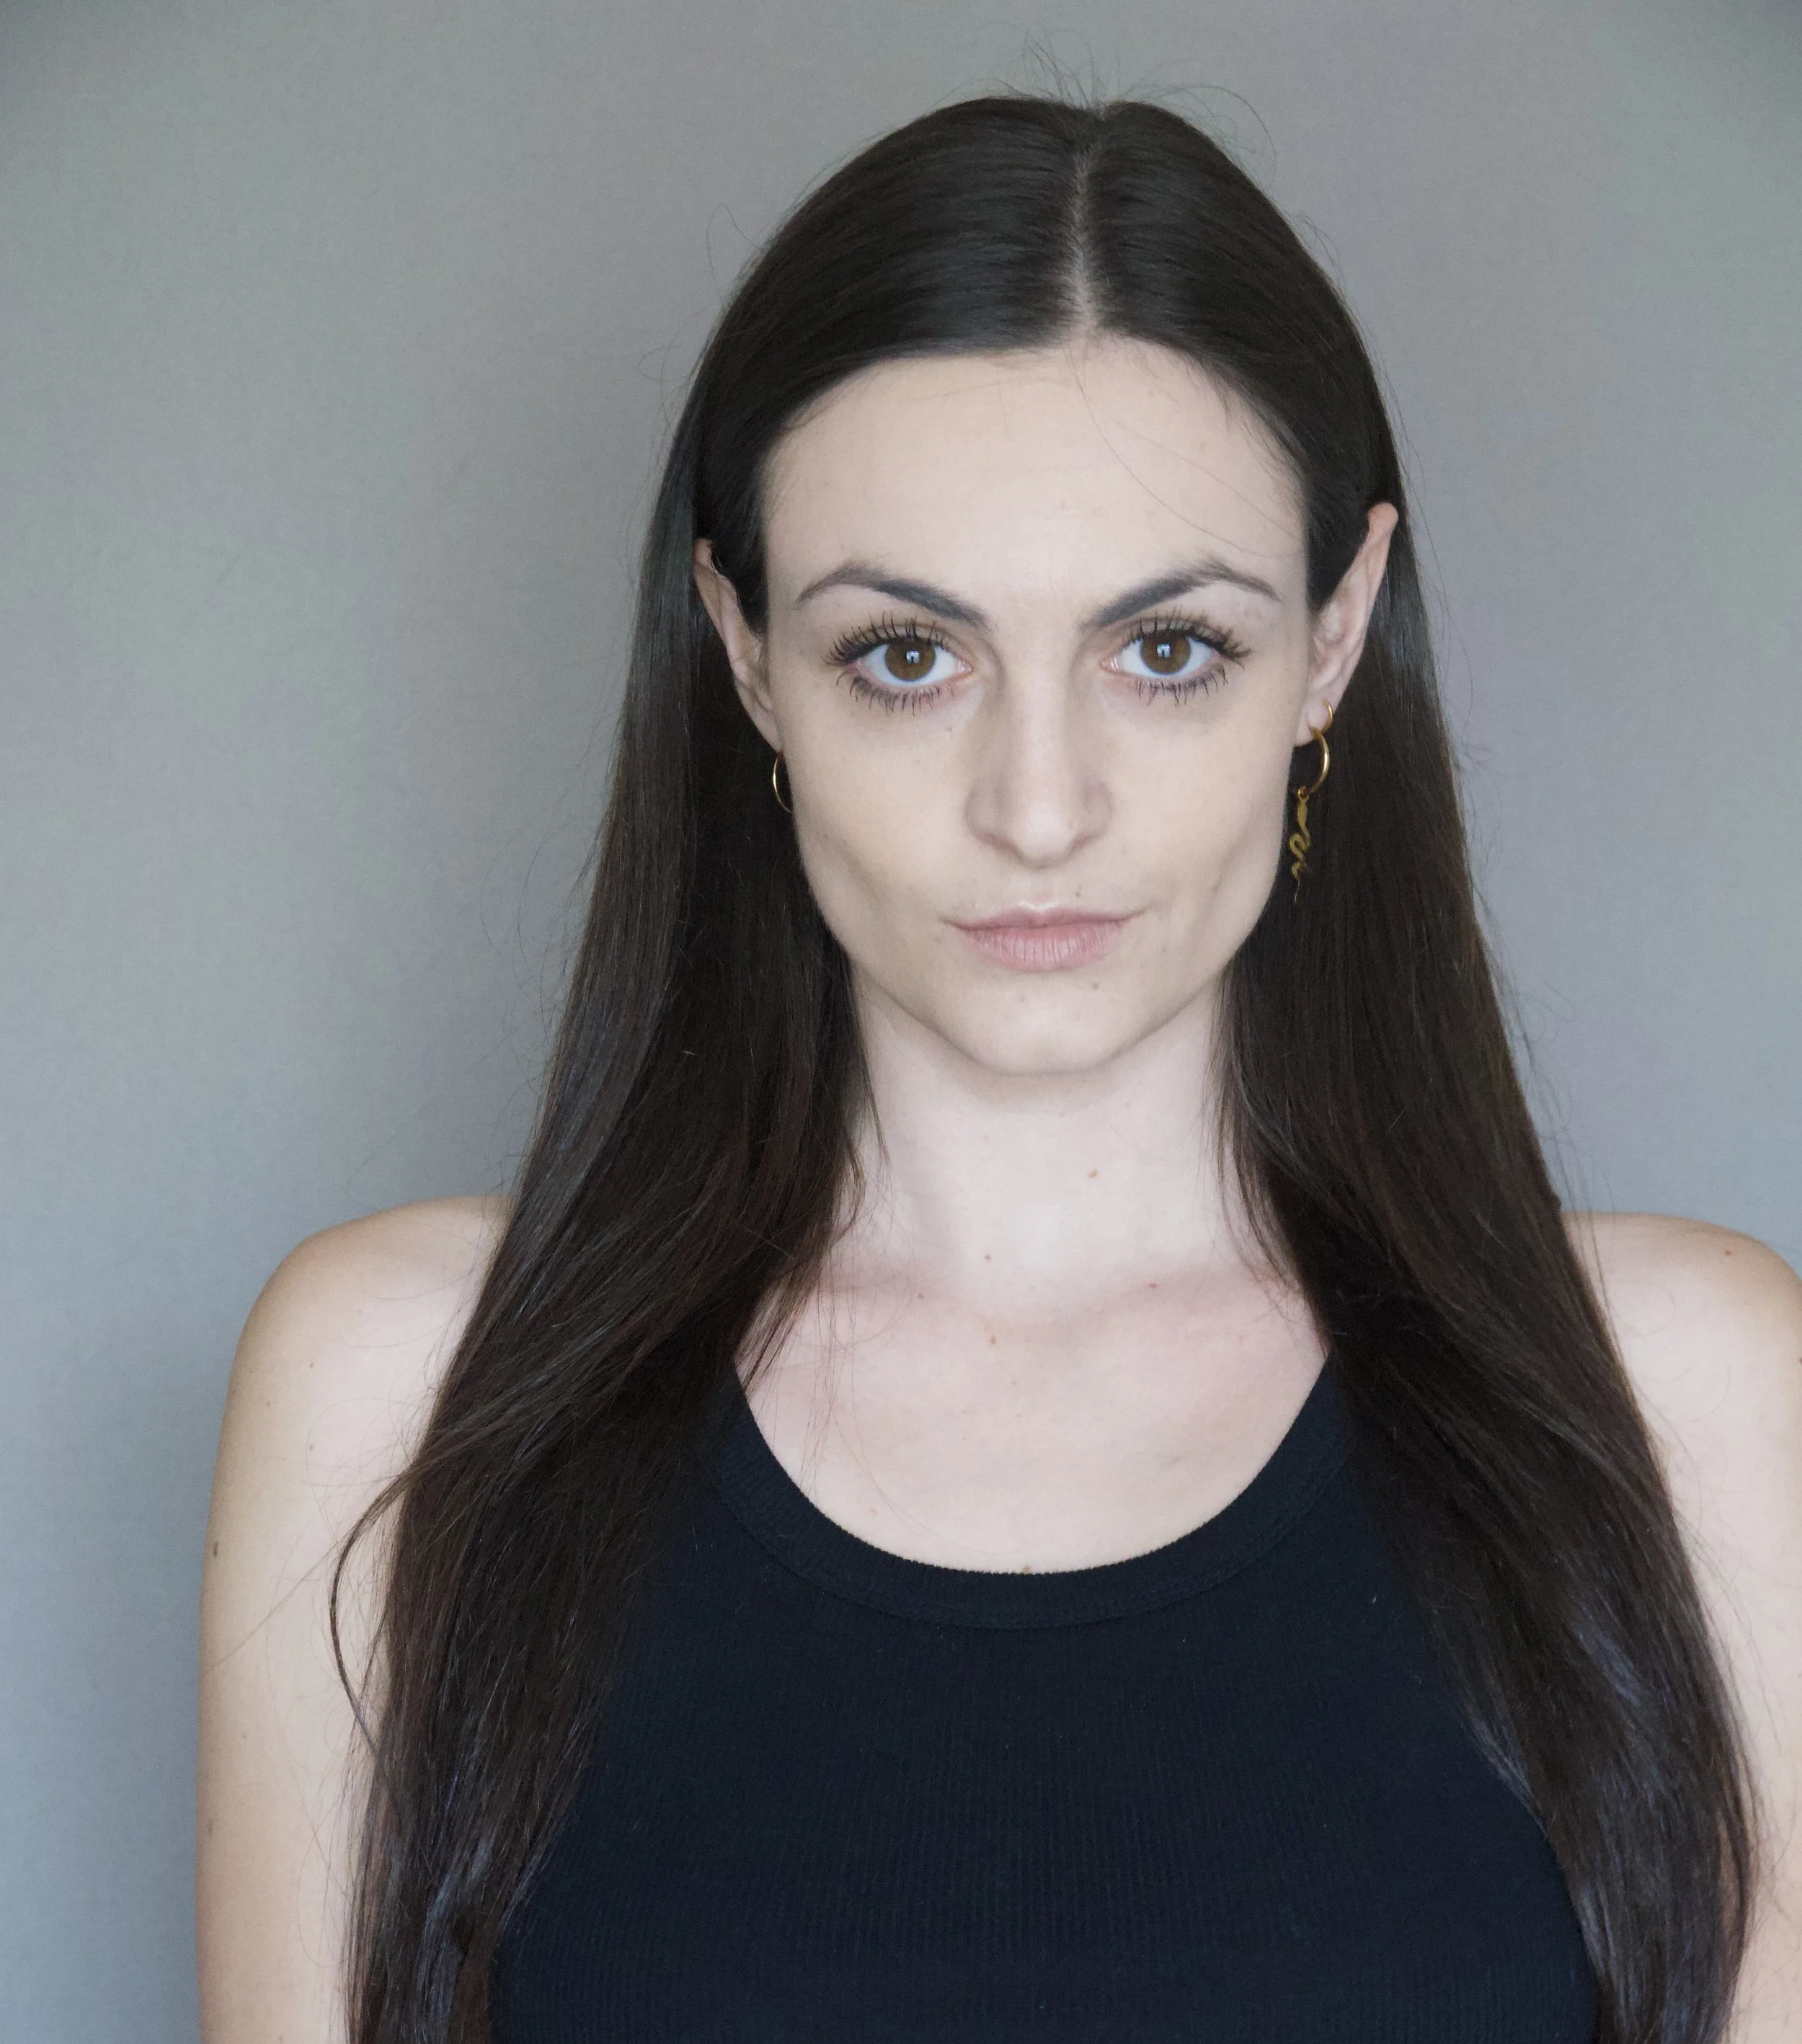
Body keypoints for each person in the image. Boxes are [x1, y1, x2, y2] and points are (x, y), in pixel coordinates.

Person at [196, 94, 1802, 2044]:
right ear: (745, 657)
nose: (1036, 807)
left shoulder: (1677, 1397)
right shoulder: (402, 1392)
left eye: (1167, 651)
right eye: (905, 657)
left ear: (1330, 643)